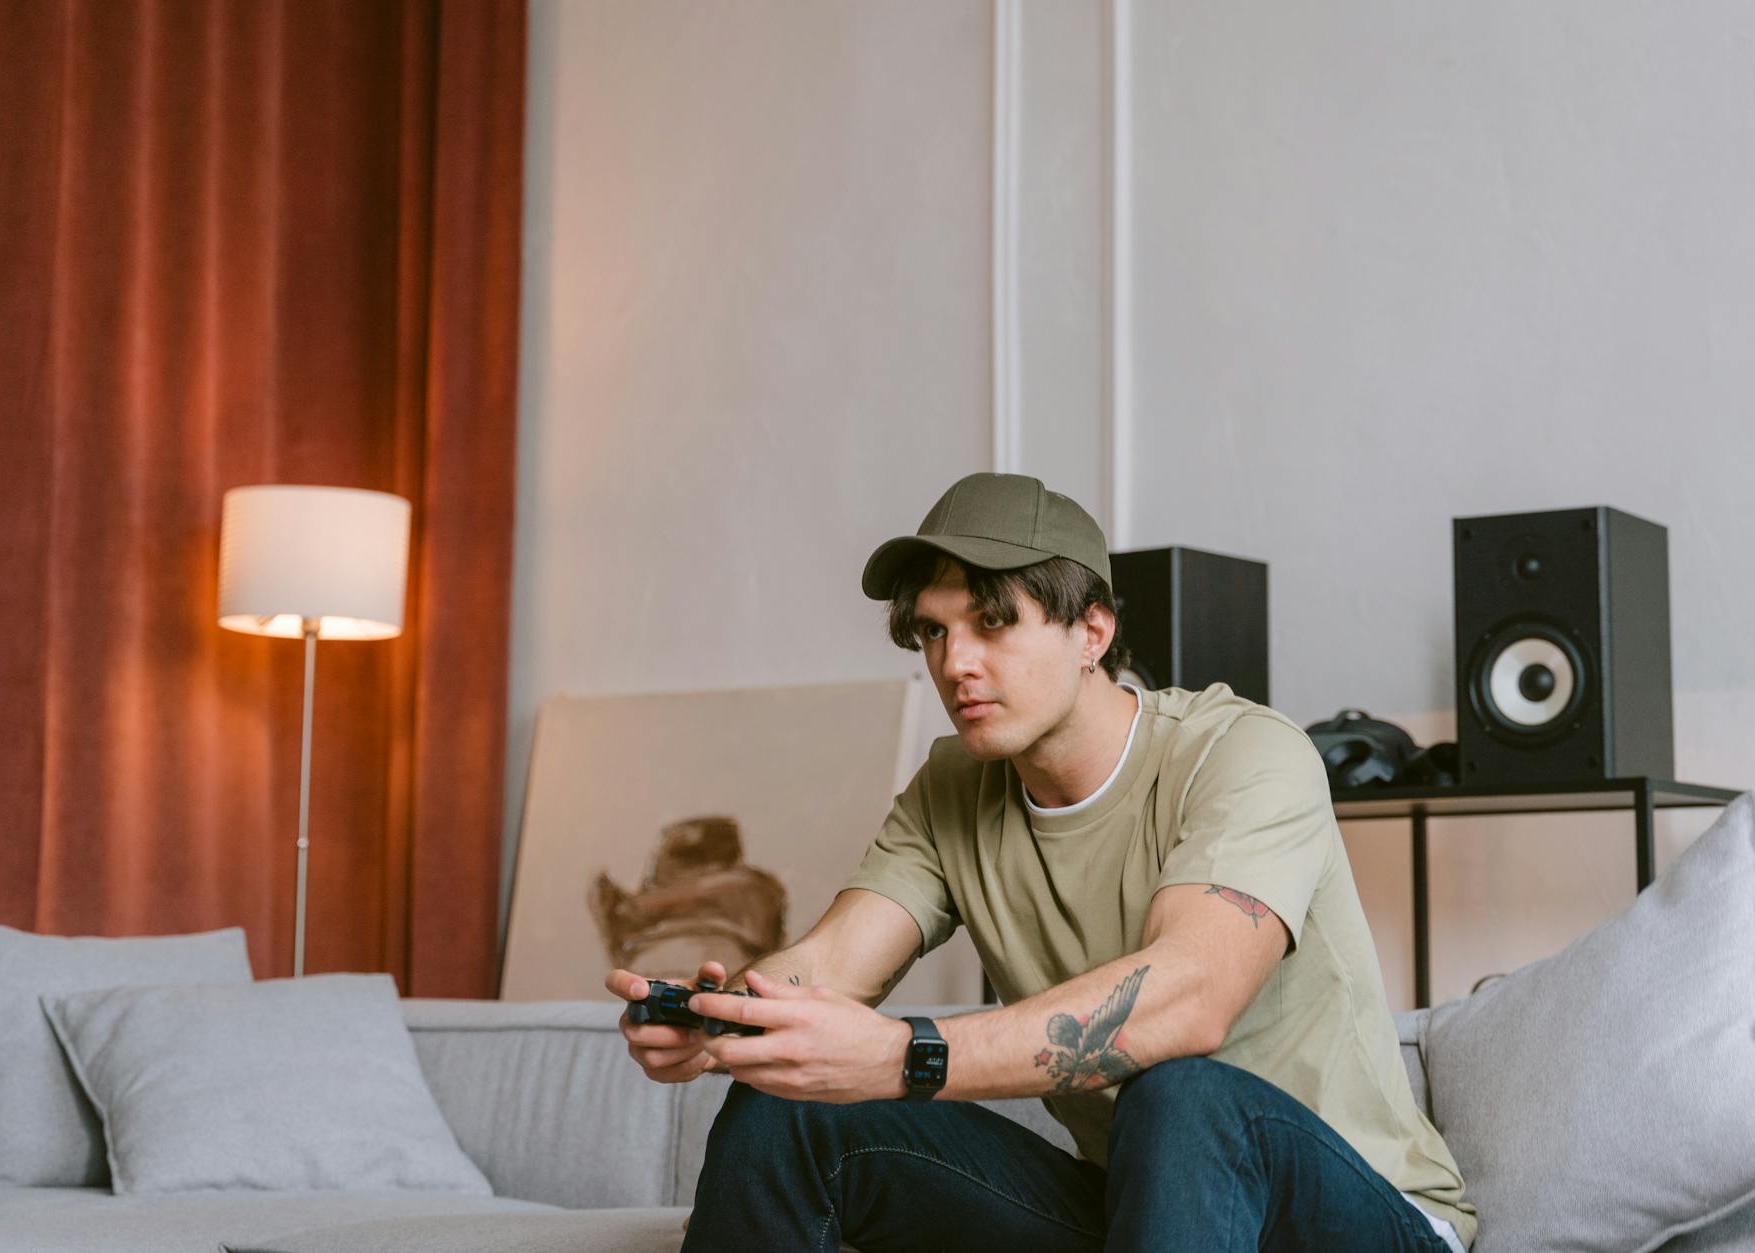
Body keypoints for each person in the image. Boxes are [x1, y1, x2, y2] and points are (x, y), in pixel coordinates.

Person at [605, 472, 1476, 1252]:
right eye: (932, 633)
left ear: (1092, 629)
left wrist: (905, 1055)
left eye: (992, 623)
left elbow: (1190, 998)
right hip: (1148, 1214)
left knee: (1184, 1095)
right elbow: (830, 967)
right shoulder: (954, 787)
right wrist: (729, 1018)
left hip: (1369, 1220)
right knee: (787, 1108)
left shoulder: (1243, 752)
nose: (956, 664)